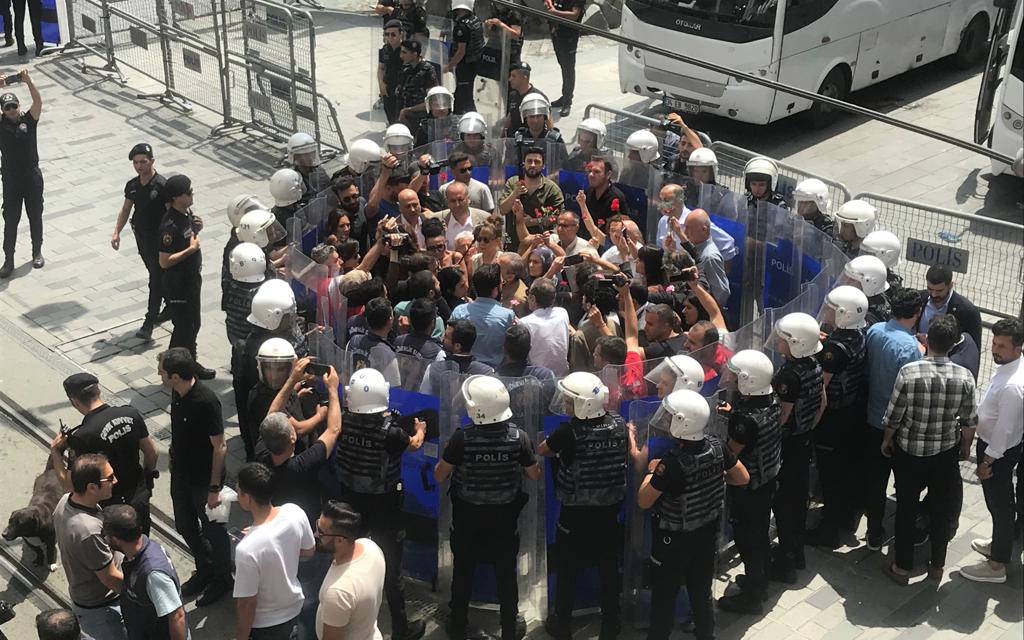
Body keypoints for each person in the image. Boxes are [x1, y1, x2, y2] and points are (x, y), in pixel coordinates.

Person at [323, 368, 427, 640]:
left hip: (350, 500)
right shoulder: (391, 433)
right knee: (392, 568)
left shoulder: (343, 421)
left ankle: (345, 611)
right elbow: (414, 445)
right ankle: (401, 629)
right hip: (384, 505)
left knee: (347, 557)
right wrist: (420, 429)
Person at [434, 375, 541, 640]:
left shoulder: (461, 439)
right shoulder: (519, 438)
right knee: (506, 575)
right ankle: (508, 627)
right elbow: (534, 475)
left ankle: (458, 625)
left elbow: (439, 475)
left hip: (467, 519)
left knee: (463, 572)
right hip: (505, 520)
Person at [637, 390, 749, 640]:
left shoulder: (672, 463)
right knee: (700, 593)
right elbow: (742, 477)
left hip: (673, 541)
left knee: (664, 598)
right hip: (706, 534)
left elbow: (644, 500)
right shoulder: (718, 446)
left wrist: (651, 472)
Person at [878, 314, 977, 585]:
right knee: (941, 509)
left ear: (928, 340)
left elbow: (894, 415)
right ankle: (936, 566)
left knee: (907, 508)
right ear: (954, 344)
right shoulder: (965, 377)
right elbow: (969, 420)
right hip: (944, 454)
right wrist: (965, 447)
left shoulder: (909, 372)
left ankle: (902, 567)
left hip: (909, 452)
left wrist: (887, 440)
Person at [540, 372, 637, 639]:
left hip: (575, 514)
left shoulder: (568, 432)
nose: (566, 405)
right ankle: (611, 624)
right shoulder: (617, 423)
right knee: (608, 567)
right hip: (610, 511)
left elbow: (542, 450)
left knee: (567, 569)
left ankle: (562, 624)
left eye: (570, 401)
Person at [158, 348, 232, 607]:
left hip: (203, 482)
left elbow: (220, 446)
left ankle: (223, 579)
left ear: (175, 376)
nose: (159, 375)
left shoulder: (206, 401)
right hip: (181, 475)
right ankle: (206, 568)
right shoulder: (177, 393)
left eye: (163, 372)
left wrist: (214, 488)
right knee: (185, 526)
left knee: (214, 531)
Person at [52, 372, 159, 536]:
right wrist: (146, 480)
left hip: (111, 509)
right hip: (139, 496)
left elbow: (69, 485)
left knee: (118, 554)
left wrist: (56, 452)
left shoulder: (82, 437)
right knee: (141, 542)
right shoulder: (130, 414)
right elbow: (152, 452)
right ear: (98, 391)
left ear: (74, 402)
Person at [715, 350, 781, 614]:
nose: (729, 376)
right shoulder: (771, 400)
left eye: (735, 374)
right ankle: (760, 580)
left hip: (748, 489)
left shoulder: (745, 419)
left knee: (747, 540)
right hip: (767, 481)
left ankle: (752, 596)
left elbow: (732, 453)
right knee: (760, 535)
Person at [960, 318, 1024, 584]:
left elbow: (1005, 430)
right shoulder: (1010, 366)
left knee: (1000, 506)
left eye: (1002, 346)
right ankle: (1000, 543)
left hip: (997, 452)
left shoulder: (1013, 386)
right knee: (1000, 506)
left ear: (1018, 347)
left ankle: (997, 564)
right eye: (994, 342)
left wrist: (987, 461)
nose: (995, 349)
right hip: (997, 448)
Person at [804, 286, 869, 550]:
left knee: (830, 475)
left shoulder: (835, 349)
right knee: (841, 471)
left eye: (831, 307)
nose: (826, 309)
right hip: (851, 413)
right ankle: (843, 517)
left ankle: (828, 531)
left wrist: (811, 424)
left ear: (842, 313)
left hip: (832, 419)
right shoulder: (857, 335)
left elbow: (822, 388)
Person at [863, 287, 924, 550]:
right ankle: (904, 533)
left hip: (871, 417)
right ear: (917, 313)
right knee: (903, 483)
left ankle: (874, 531)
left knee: (874, 480)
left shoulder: (874, 331)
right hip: (897, 426)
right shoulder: (911, 348)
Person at [767, 313, 825, 583]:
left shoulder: (789, 375)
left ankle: (786, 564)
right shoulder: (813, 364)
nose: (777, 341)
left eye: (783, 338)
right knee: (799, 500)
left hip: (788, 446)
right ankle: (796, 553)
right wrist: (807, 429)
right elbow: (822, 403)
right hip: (804, 441)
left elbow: (782, 415)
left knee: (785, 503)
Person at [233, 462, 316, 640]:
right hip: (295, 609)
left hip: (267, 626)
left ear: (248, 498)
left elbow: (247, 602)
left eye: (239, 491)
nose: (237, 494)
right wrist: (284, 552)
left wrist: (241, 637)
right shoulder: (295, 512)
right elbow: (309, 550)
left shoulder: (246, 550)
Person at [53, 454, 127, 640]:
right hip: (104, 608)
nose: (115, 481)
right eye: (110, 478)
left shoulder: (66, 501)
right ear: (92, 487)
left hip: (86, 600)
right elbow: (111, 579)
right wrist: (143, 591)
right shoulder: (88, 530)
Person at [158, 174, 216, 380]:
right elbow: (164, 261)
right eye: (188, 192)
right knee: (184, 327)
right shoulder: (170, 226)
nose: (192, 194)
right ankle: (171, 364)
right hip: (178, 283)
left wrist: (197, 228)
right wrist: (191, 251)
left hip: (191, 279)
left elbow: (189, 237)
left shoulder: (186, 214)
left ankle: (188, 362)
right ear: (176, 197)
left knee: (193, 324)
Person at [101, 504, 188, 640]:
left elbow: (177, 616)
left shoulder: (153, 574)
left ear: (116, 539)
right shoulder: (139, 552)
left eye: (106, 536)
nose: (105, 539)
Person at [111, 143, 169, 339]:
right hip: (142, 238)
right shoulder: (133, 186)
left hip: (159, 241)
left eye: (143, 162)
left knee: (155, 278)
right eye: (135, 163)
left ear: (152, 161)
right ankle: (169, 306)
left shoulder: (161, 185)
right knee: (157, 275)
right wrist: (116, 232)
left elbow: (173, 213)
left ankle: (149, 322)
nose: (139, 166)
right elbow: (126, 209)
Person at [315, 501, 387, 640]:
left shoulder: (338, 592)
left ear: (340, 541)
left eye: (321, 532)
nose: (316, 534)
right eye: (317, 525)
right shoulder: (371, 547)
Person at [0, 70, 43, 277]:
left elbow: (38, 103)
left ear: (19, 106)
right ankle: (8, 259)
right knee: (11, 219)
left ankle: (37, 252)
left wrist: (29, 82)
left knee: (35, 214)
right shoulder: (0, 125)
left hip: (31, 177)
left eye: (14, 106)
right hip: (11, 180)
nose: (11, 110)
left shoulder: (29, 120)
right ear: (3, 110)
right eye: (7, 108)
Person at [450, 264, 516, 368]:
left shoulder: (459, 311)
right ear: (495, 290)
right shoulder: (507, 316)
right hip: (494, 375)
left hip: (462, 371)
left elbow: (448, 343)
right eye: (501, 283)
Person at [500, 145, 565, 250]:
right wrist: (515, 193)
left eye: (537, 162)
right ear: (524, 164)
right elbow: (503, 210)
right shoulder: (513, 182)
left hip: (541, 243)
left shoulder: (551, 189)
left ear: (543, 165)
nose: (533, 165)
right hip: (513, 241)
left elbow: (559, 218)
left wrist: (534, 221)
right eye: (529, 161)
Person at [916, 264, 982, 349]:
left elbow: (973, 349)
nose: (934, 294)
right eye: (930, 289)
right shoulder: (919, 298)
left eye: (939, 291)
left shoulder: (967, 311)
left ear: (950, 285)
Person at [519, 277, 571, 376]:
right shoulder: (562, 313)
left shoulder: (525, 323)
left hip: (539, 378)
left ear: (533, 298)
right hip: (562, 376)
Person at [545, 0, 585, 117]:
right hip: (557, 33)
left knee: (568, 68)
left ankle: (567, 101)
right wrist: (549, 5)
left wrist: (555, 12)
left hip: (569, 37)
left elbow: (574, 15)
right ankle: (565, 95)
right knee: (563, 66)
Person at [683, 209, 730, 307]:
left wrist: (706, 312)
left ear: (704, 229)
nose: (685, 232)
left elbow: (721, 293)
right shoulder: (696, 249)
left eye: (689, 228)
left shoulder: (709, 257)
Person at [446, 0, 484, 114]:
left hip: (465, 66)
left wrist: (448, 66)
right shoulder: (475, 19)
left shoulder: (461, 27)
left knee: (463, 97)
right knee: (465, 94)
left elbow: (461, 51)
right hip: (476, 62)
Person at [577, 159, 630, 241]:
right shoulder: (588, 192)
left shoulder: (617, 197)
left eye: (596, 172)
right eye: (590, 171)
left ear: (608, 174)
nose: (591, 175)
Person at [398, 40, 439, 136]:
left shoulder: (427, 71)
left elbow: (432, 101)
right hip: (406, 118)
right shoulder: (406, 69)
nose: (401, 56)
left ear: (415, 54)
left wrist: (409, 110)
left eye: (404, 52)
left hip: (422, 121)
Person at [843, 255, 891, 325]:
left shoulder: (867, 314)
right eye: (846, 277)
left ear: (868, 283)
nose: (845, 282)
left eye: (851, 280)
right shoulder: (878, 297)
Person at [503, 61, 546, 136]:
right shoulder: (513, 95)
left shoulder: (537, 97)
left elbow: (548, 121)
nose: (510, 79)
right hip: (512, 141)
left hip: (527, 141)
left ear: (524, 78)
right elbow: (510, 116)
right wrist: (502, 137)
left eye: (513, 76)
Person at [287, 133, 330, 198]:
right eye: (305, 154)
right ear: (295, 157)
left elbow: (329, 190)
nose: (310, 157)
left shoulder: (320, 171)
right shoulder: (292, 178)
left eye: (311, 152)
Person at [378, 20, 405, 124]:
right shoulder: (384, 50)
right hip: (389, 87)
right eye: (387, 34)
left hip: (403, 88)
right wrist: (381, 84)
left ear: (400, 34)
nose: (390, 37)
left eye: (393, 34)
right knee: (390, 115)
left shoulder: (407, 49)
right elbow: (381, 68)